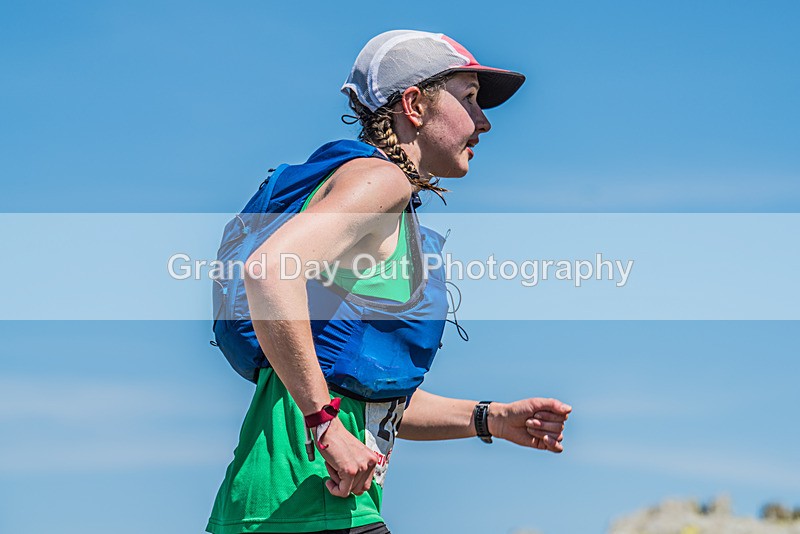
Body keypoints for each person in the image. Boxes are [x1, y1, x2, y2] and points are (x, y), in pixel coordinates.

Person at [206, 29, 572, 534]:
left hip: (285, 506)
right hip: (310, 506)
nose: (484, 121)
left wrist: (492, 418)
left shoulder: (372, 192)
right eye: (469, 98)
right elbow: (269, 270)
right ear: (414, 105)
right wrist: (324, 424)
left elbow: (365, 391)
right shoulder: (381, 180)